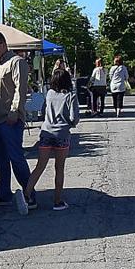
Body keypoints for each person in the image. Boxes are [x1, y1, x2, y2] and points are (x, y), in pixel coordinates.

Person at [0, 31, 33, 213]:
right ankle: (3, 194)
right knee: (0, 159)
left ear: (3, 45)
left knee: (16, 157)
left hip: (9, 119)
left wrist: (15, 111)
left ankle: (30, 195)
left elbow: (21, 89)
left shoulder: (16, 62)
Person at [24, 69, 80, 212]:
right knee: (59, 168)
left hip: (46, 133)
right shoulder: (71, 96)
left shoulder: (49, 94)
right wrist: (70, 124)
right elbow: (74, 118)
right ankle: (57, 201)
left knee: (40, 166)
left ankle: (26, 196)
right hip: (62, 134)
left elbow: (43, 112)